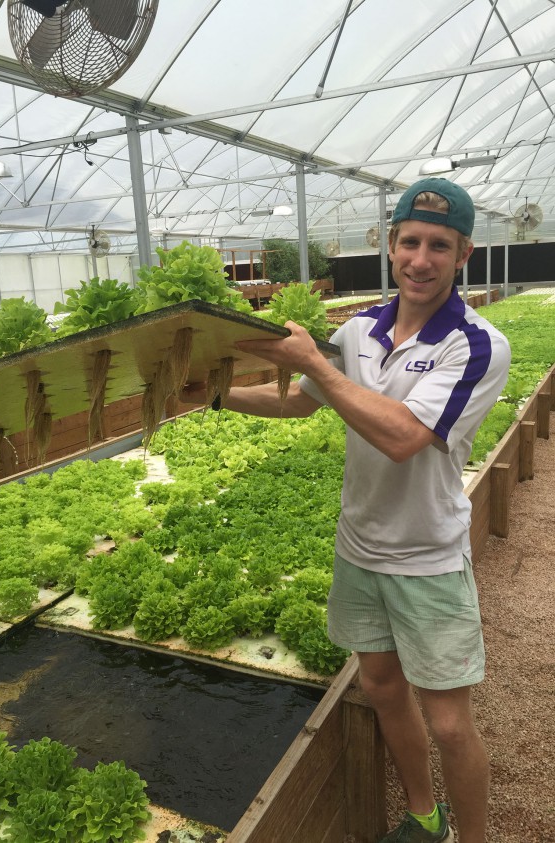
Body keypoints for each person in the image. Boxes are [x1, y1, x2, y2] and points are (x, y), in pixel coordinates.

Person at [180, 177, 511, 843]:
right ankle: (424, 813)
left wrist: (321, 365)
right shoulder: (360, 331)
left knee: (450, 722)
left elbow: (400, 439)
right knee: (383, 688)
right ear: (390, 246)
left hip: (427, 557)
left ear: (463, 254)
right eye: (410, 241)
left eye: (438, 246)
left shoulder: (475, 345)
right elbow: (300, 402)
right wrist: (207, 395)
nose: (421, 258)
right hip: (359, 548)